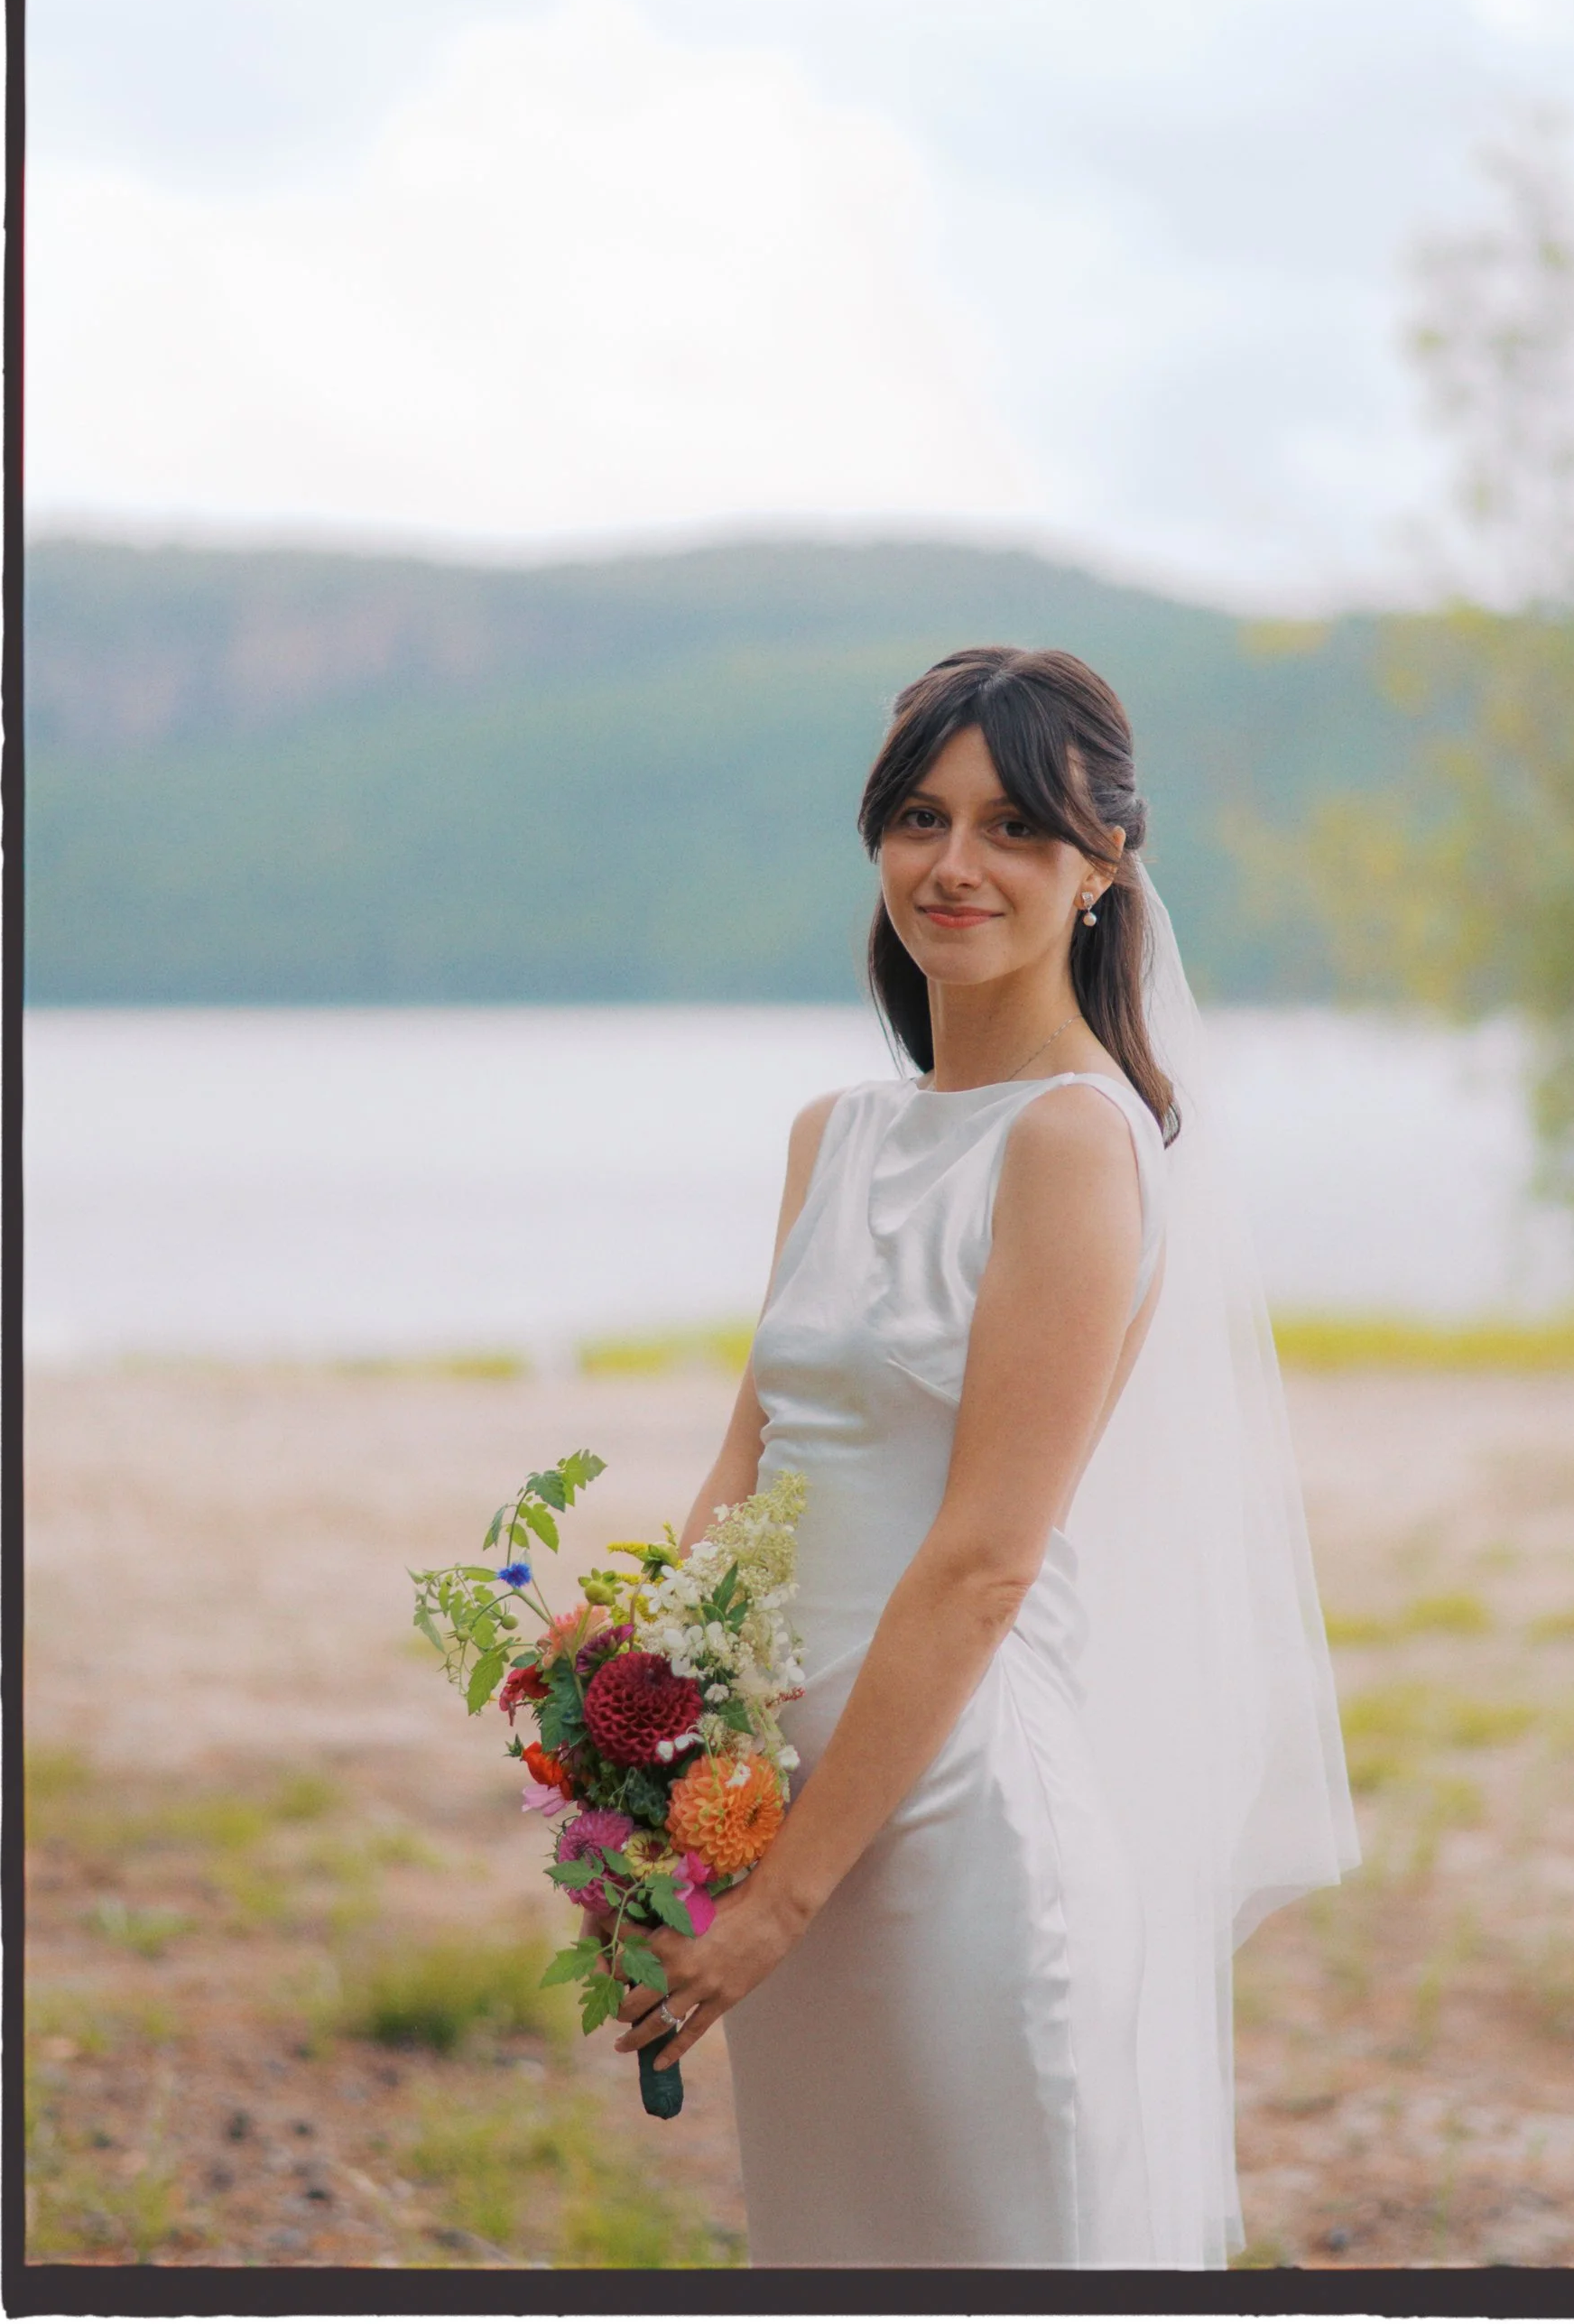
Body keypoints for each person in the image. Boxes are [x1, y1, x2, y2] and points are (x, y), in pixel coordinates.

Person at [598, 646, 1356, 2267]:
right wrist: (646, 1747)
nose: (957, 866)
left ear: (1102, 868)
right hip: (771, 1828)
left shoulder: (1078, 1146)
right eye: (921, 819)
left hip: (951, 1840)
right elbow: (747, 1458)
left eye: (1015, 826)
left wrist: (788, 1897)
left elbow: (984, 1558)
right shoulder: (833, 1135)